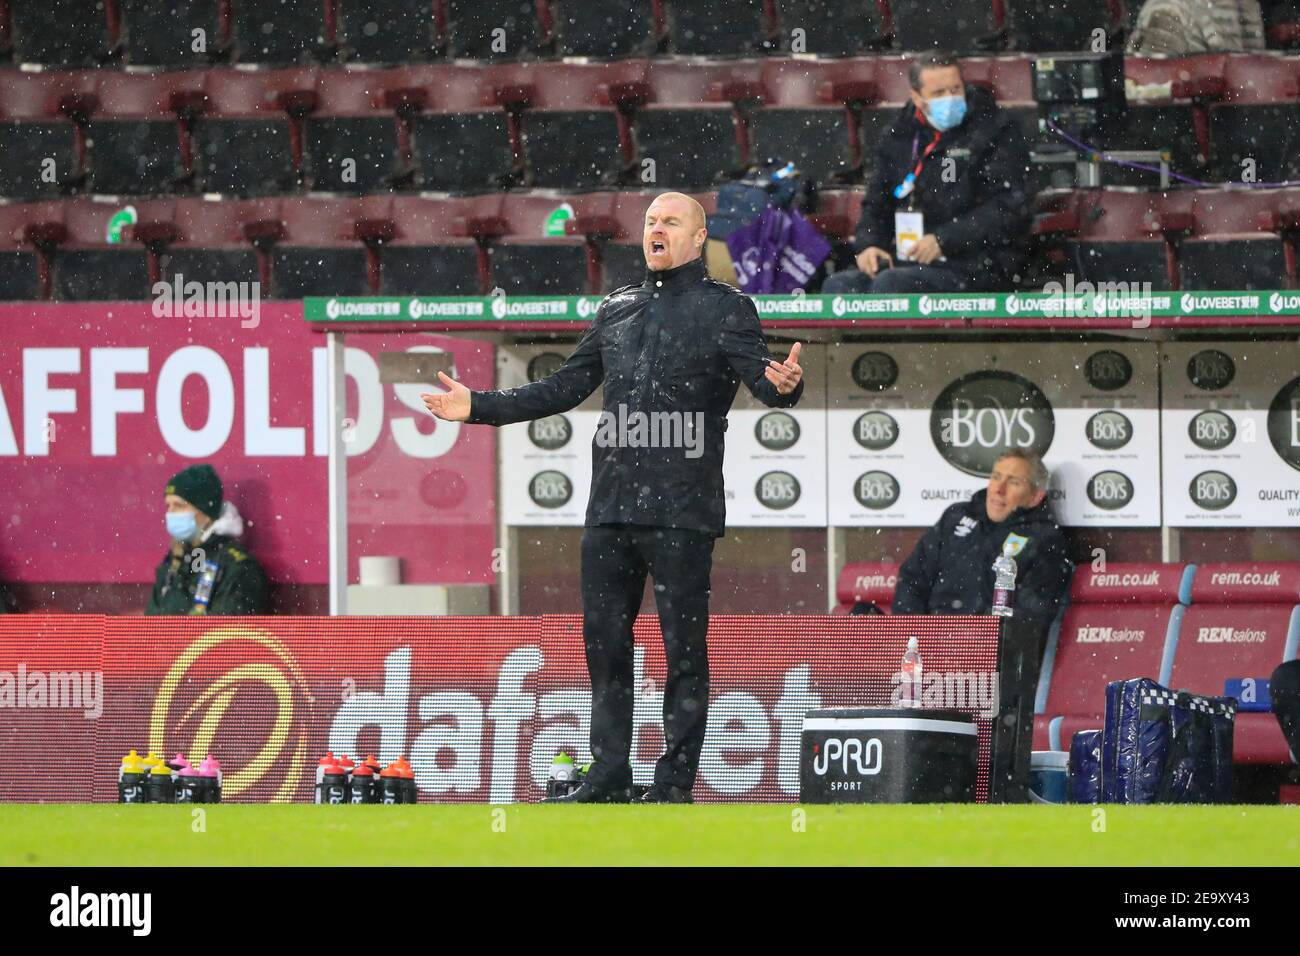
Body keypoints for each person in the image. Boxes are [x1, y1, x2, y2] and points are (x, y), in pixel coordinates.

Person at [421, 192, 805, 804]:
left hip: (683, 508)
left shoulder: (728, 308)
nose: (656, 229)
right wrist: (480, 408)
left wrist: (787, 386)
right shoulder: (617, 307)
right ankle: (607, 777)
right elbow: (566, 386)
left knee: (684, 649)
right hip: (610, 509)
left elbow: (766, 382)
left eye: (670, 221)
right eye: (650, 220)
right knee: (604, 645)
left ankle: (674, 784)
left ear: (698, 238)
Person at [822, 51, 1031, 296]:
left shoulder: (995, 129)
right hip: (909, 259)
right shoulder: (899, 135)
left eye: (955, 89)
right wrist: (870, 245)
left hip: (977, 262)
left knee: (891, 286)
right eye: (939, 93)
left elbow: (1009, 207)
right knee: (841, 287)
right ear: (917, 98)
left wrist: (944, 240)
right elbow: (877, 203)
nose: (950, 99)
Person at [892, 449, 1073, 638]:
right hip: (927, 644)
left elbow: (1028, 620)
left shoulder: (1044, 539)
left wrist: (969, 641)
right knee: (863, 619)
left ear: (1035, 497)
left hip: (986, 653)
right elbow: (912, 578)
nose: (999, 489)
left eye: (1014, 482)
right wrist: (912, 635)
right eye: (996, 477)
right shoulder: (956, 517)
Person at [146, 464, 270, 616]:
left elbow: (230, 633)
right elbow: (151, 628)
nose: (170, 513)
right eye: (168, 505)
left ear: (204, 510)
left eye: (179, 505)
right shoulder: (174, 560)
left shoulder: (237, 566)